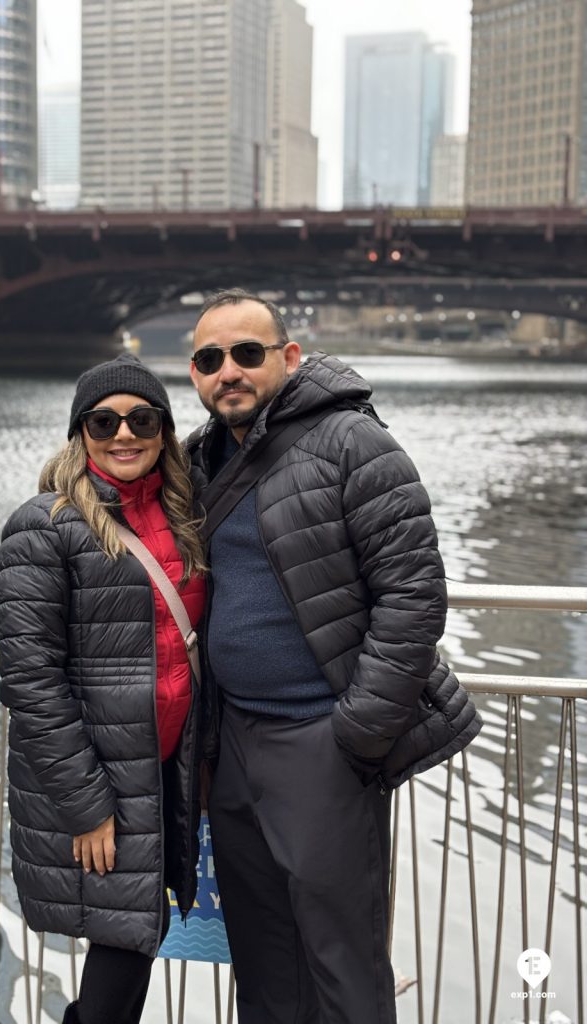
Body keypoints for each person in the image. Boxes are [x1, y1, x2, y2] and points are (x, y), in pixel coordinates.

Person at [186, 289, 481, 1024]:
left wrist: (358, 732)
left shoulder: (354, 443)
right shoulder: (199, 458)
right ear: (192, 373)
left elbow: (414, 597)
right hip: (234, 744)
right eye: (209, 359)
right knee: (260, 955)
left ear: (288, 359)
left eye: (247, 353)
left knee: (340, 956)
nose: (229, 371)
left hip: (321, 738)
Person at [0, 353, 207, 1024]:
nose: (124, 434)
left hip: (166, 772)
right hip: (103, 784)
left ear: (164, 430)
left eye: (141, 418)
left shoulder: (184, 516)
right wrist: (87, 806)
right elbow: (31, 680)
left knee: (136, 938)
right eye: (103, 420)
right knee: (124, 945)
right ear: (80, 432)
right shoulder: (44, 527)